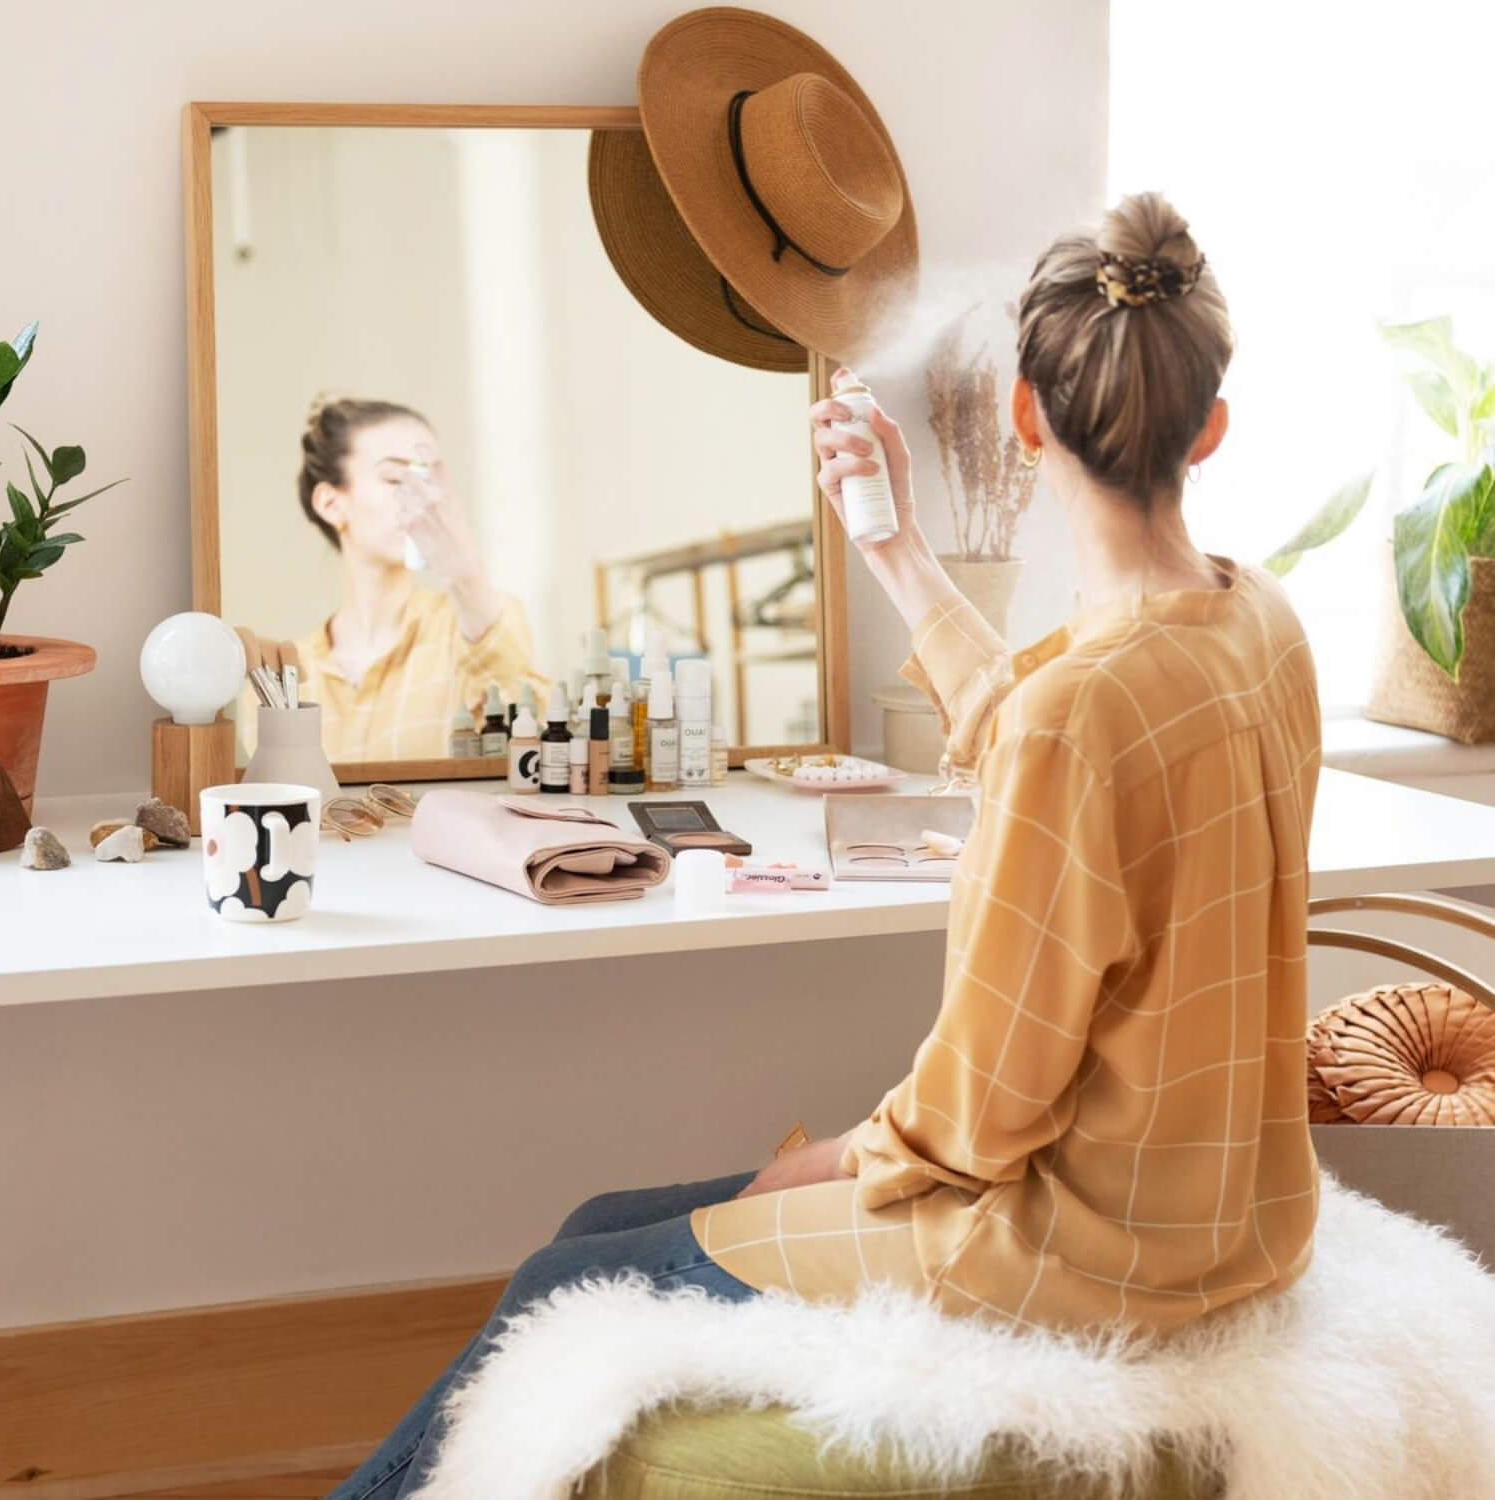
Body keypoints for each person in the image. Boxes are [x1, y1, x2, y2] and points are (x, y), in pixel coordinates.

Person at [325, 192, 1321, 1500]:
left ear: (1026, 418)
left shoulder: (1076, 722)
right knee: (595, 1230)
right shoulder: (1260, 624)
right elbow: (1061, 724)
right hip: (1240, 1216)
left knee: (571, 1271)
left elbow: (976, 1118)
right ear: (1213, 427)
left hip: (1085, 1249)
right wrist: (893, 545)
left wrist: (820, 1162)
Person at [239, 397, 548, 761]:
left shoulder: (480, 622)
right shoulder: (281, 680)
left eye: (428, 480)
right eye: (395, 477)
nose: (422, 497)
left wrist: (465, 571)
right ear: (330, 503)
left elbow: (536, 743)